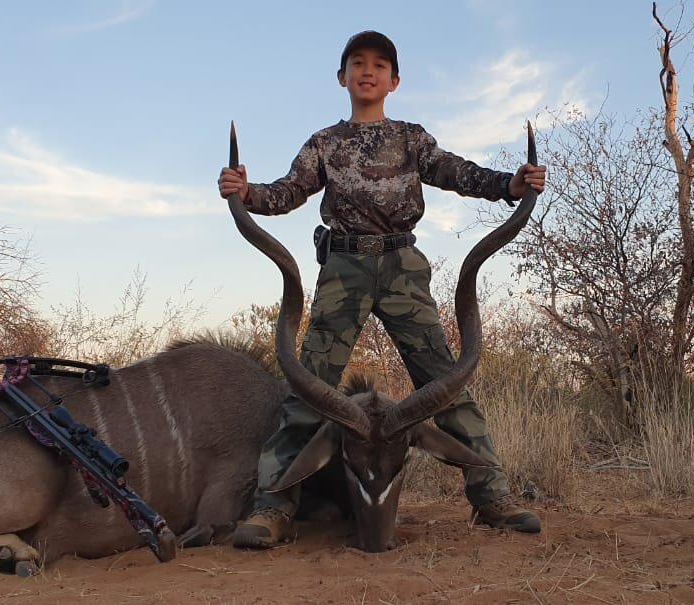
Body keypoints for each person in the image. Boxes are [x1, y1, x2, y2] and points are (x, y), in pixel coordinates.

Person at [217, 30, 546, 548]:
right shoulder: (324, 142)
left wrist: (510, 184)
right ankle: (273, 508)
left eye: (378, 65)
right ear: (342, 77)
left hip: (401, 266)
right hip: (343, 267)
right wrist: (247, 192)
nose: (367, 72)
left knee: (445, 383)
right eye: (357, 63)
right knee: (309, 390)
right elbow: (288, 191)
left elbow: (456, 172)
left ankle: (492, 497)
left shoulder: (412, 138)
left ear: (394, 81)